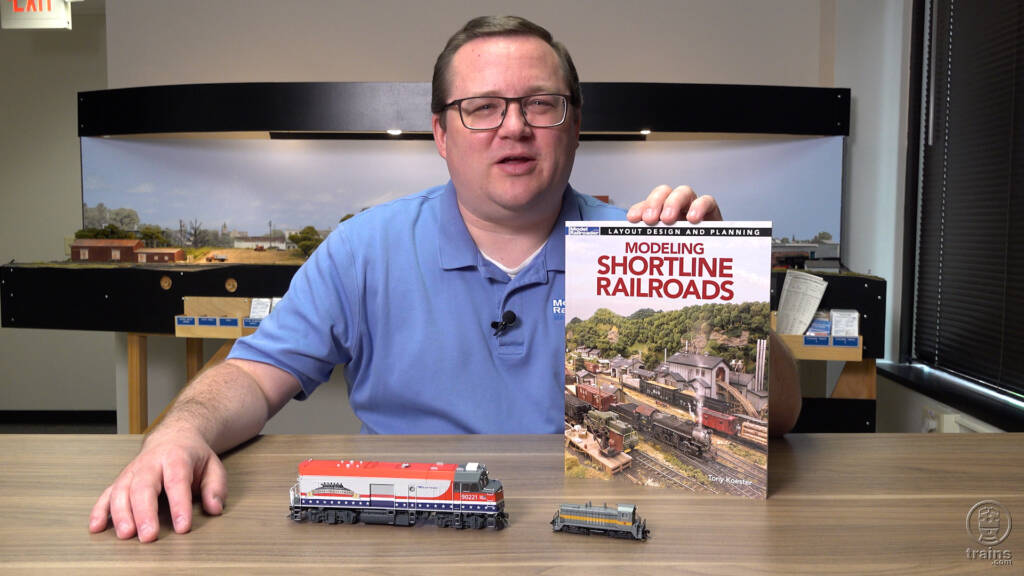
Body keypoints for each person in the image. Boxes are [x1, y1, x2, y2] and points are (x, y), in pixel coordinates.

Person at [89, 15, 788, 543]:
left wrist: (727, 287)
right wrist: (176, 435)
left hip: (591, 536)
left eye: (541, 104)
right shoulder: (363, 247)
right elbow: (251, 374)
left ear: (574, 125)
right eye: (482, 107)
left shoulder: (640, 248)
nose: (513, 127)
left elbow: (780, 414)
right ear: (440, 133)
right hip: (407, 536)